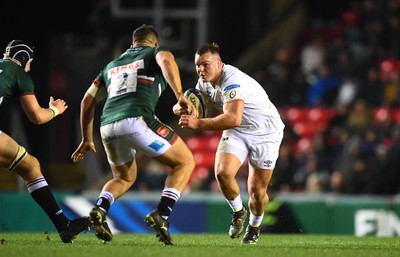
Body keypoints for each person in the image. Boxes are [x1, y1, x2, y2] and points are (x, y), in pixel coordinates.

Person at [71, 24, 195, 245]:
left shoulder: (111, 65)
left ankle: (100, 208)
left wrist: (87, 138)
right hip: (137, 119)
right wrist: (179, 94)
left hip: (107, 126)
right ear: (154, 42)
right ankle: (163, 214)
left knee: (124, 177)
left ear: (132, 44)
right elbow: (166, 59)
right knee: (185, 161)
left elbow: (86, 102)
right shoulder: (155, 52)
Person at [174, 42, 285, 244]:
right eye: (197, 64)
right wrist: (179, 108)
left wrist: (197, 123)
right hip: (238, 131)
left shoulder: (232, 80)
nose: (200, 69)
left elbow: (233, 117)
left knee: (257, 192)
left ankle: (254, 226)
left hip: (265, 133)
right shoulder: (204, 83)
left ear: (219, 63)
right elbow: (192, 103)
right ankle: (238, 212)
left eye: (205, 64)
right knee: (222, 174)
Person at [0, 40, 90, 243]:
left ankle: (64, 225)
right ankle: (64, 226)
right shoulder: (18, 73)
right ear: (23, 59)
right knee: (31, 167)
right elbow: (37, 117)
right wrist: (55, 109)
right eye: (29, 62)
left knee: (30, 164)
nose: (29, 67)